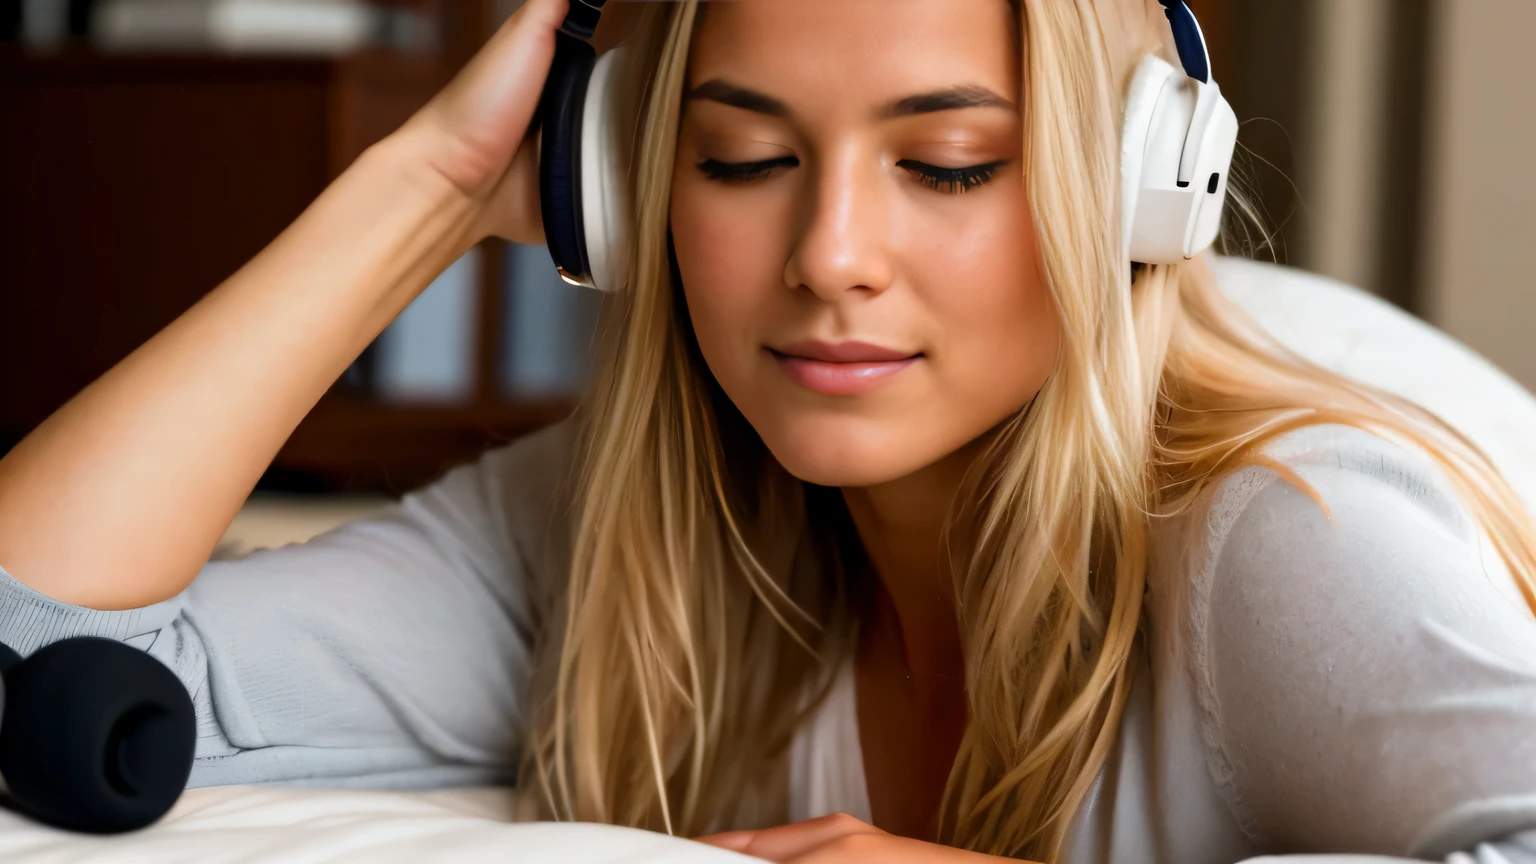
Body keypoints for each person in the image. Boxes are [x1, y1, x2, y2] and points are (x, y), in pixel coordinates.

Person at [1, 0, 1533, 862]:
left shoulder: (1283, 533)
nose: (828, 256)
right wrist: (418, 198)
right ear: (621, 186)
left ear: (1142, 190)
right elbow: (38, 651)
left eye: (945, 165)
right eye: (739, 158)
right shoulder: (607, 539)